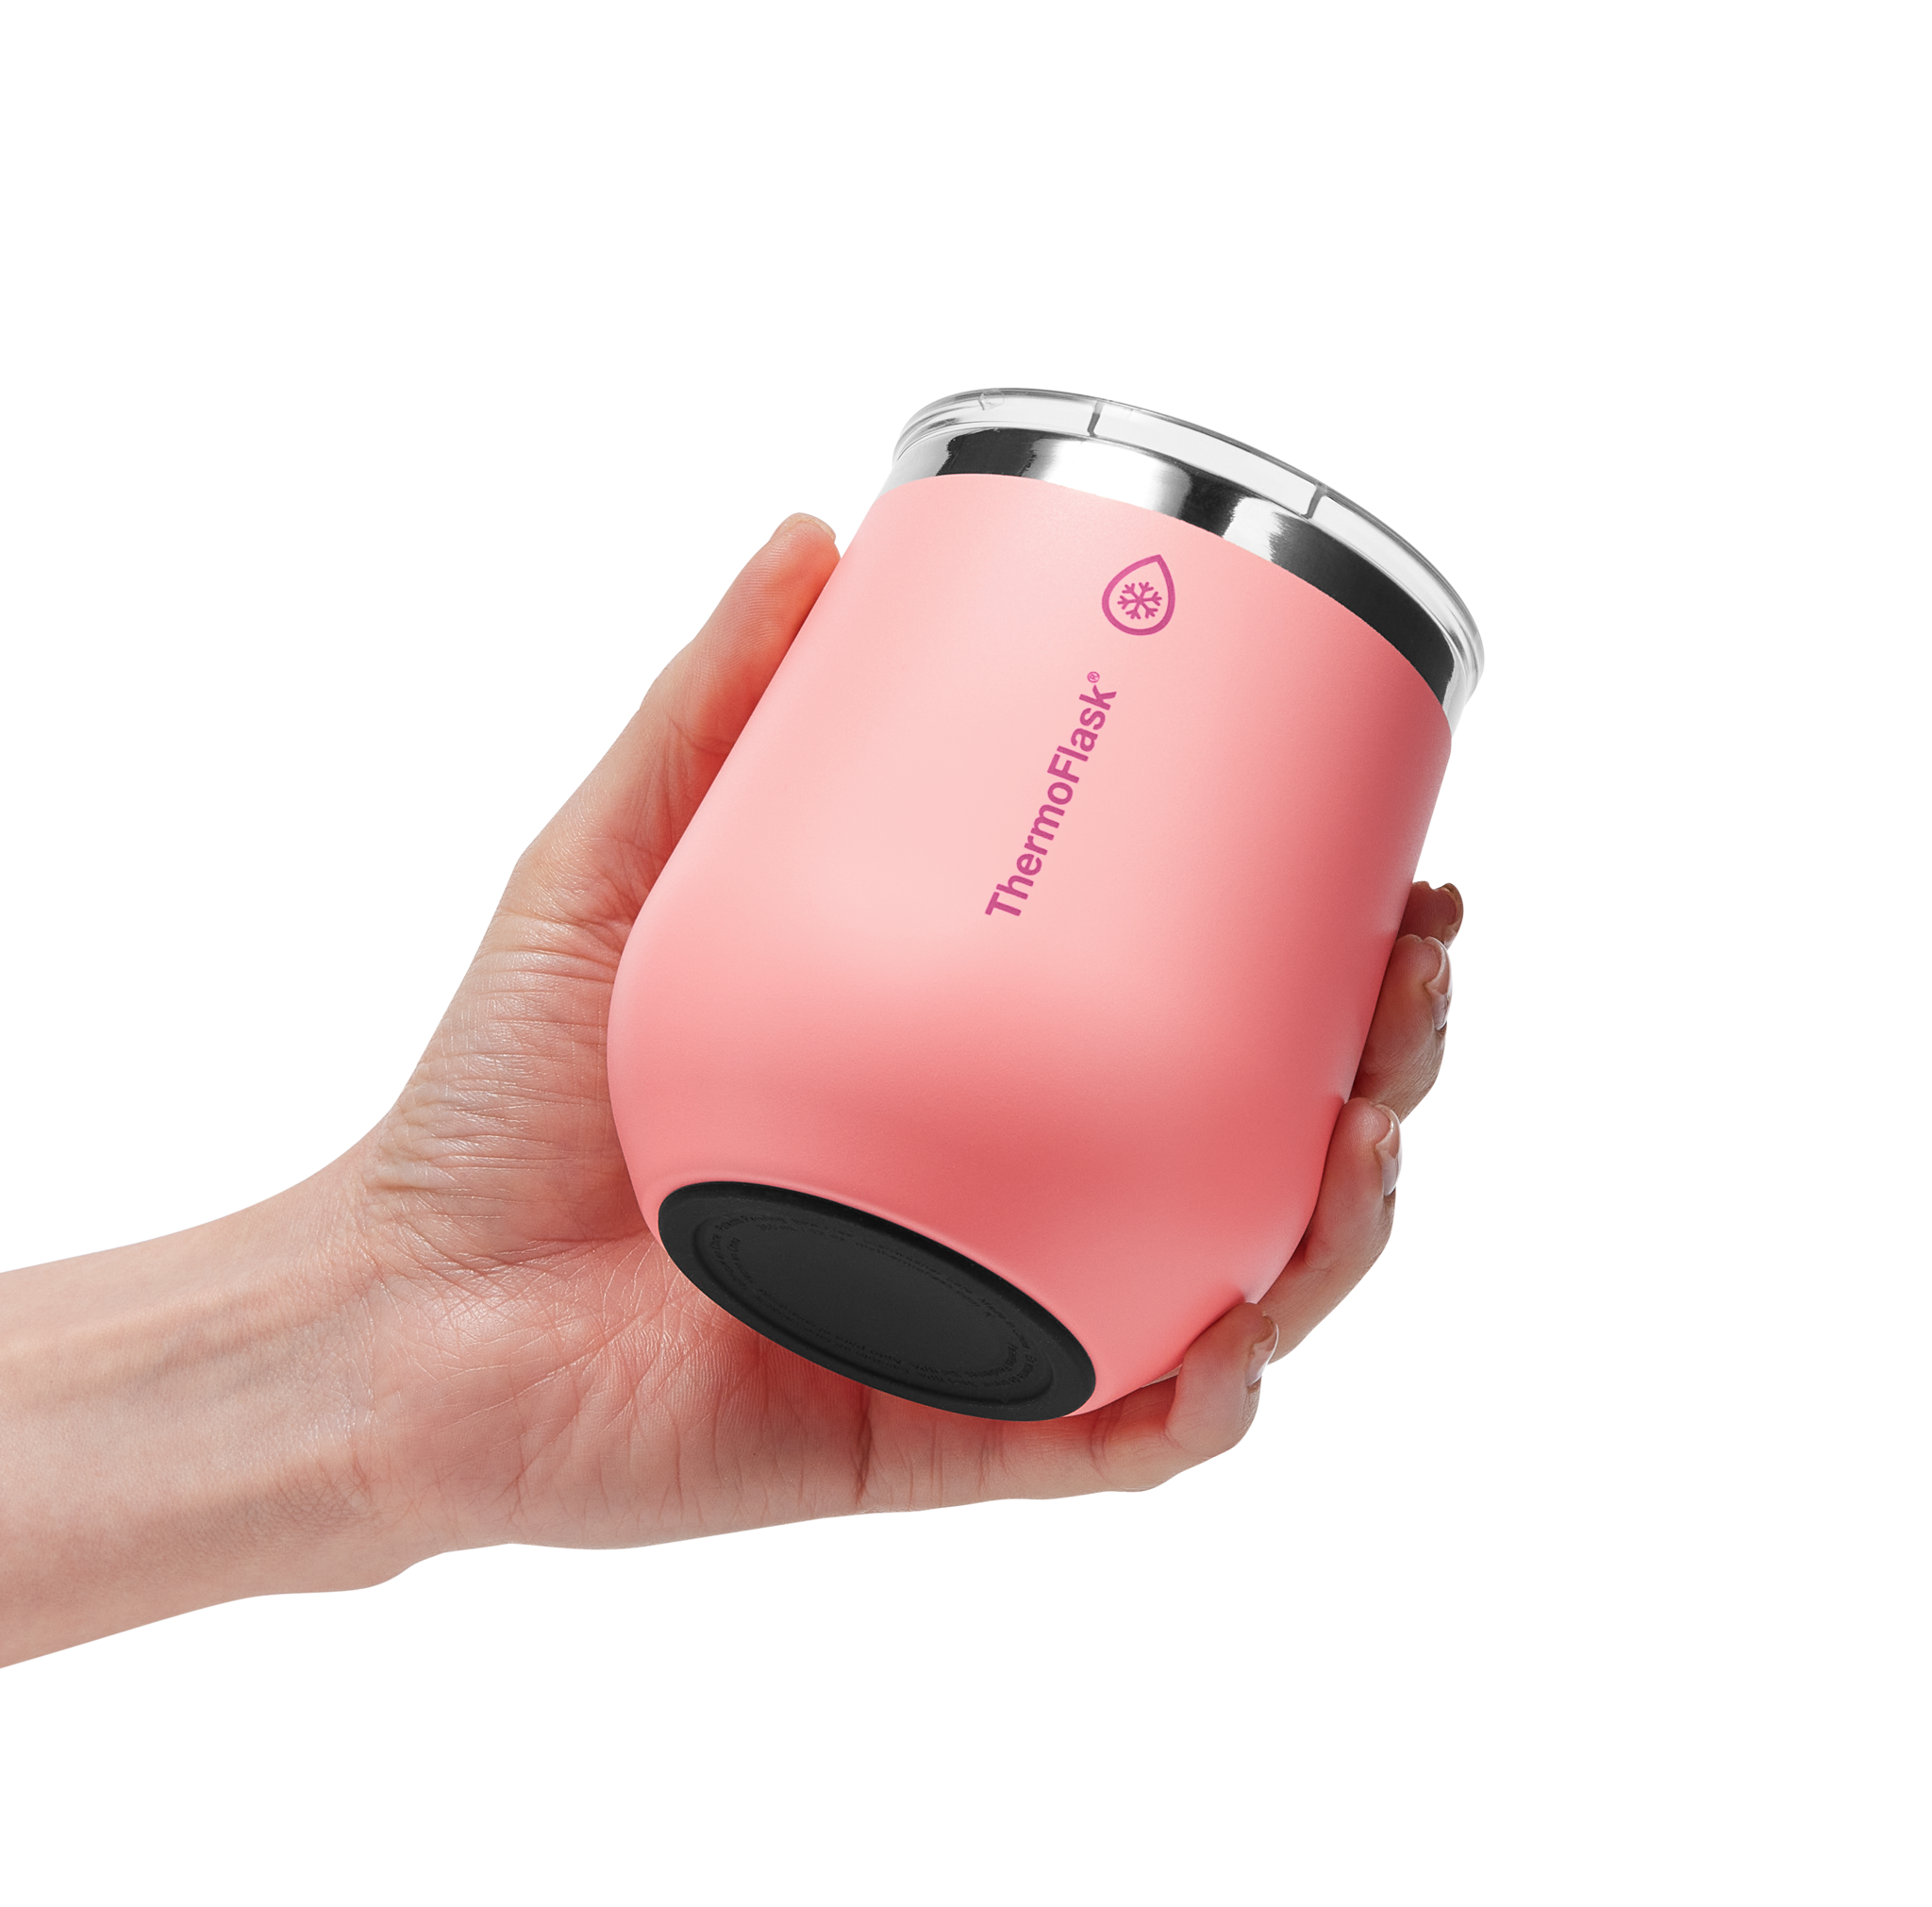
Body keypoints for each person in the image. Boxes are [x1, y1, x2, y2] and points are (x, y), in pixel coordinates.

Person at [0, 513, 1462, 1664]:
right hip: (1044, 1258)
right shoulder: (698, 1082)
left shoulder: (697, 1090)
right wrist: (402, 1331)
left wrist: (404, 1346)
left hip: (991, 1226)